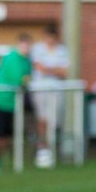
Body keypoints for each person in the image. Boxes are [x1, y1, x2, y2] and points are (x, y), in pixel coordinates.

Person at [0, 34, 33, 174]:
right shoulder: (12, 58)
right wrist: (24, 80)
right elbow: (19, 79)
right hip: (0, 101)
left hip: (12, 103)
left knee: (7, 136)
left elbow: (28, 77)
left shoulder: (26, 60)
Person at [30, 23, 70, 168]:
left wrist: (49, 69)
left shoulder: (62, 51)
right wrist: (54, 69)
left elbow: (64, 71)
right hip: (41, 89)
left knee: (55, 120)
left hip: (56, 89)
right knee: (43, 119)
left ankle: (53, 148)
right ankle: (42, 148)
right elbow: (39, 67)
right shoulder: (38, 49)